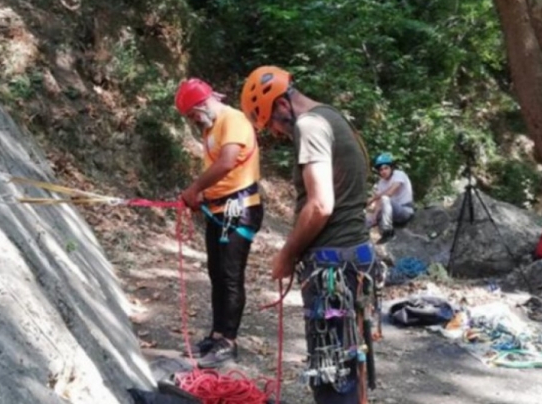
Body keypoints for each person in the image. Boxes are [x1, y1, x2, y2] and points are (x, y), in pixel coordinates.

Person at [241, 66, 376, 404]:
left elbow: (320, 205)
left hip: (333, 264)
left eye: (271, 122)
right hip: (354, 258)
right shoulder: (332, 116)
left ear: (282, 105)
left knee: (331, 373)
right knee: (351, 362)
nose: (275, 131)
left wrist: (286, 254)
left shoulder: (310, 125)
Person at [174, 78, 264, 368]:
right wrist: (201, 196)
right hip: (220, 209)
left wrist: (194, 189)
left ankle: (229, 341)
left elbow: (226, 163)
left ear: (202, 105)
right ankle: (217, 334)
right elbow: (218, 171)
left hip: (240, 208)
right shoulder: (211, 128)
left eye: (192, 115)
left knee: (229, 274)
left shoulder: (233, 120)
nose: (193, 121)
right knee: (216, 272)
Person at [366, 153, 414, 244]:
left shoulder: (399, 174)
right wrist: (374, 217)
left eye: (386, 168)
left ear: (391, 168)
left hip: (404, 210)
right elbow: (380, 203)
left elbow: (390, 192)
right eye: (381, 169)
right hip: (391, 213)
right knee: (369, 217)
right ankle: (357, 238)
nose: (383, 171)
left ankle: (388, 232)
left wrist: (372, 199)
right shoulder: (381, 182)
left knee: (385, 198)